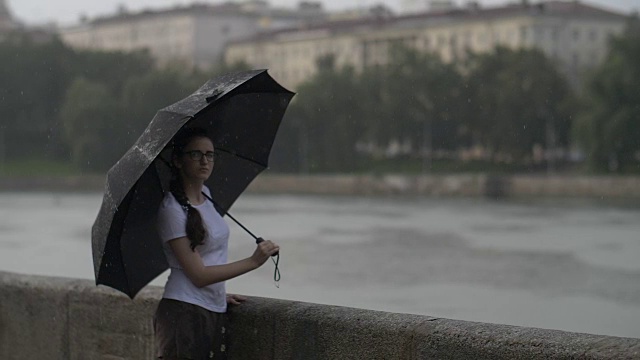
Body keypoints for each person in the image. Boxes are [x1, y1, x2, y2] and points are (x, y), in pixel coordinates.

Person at [153, 127, 279, 360]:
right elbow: (198, 275)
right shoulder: (171, 210)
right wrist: (253, 261)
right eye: (195, 154)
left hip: (211, 308)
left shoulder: (207, 195)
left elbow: (211, 255)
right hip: (183, 314)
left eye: (210, 154)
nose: (204, 161)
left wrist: (218, 294)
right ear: (178, 161)